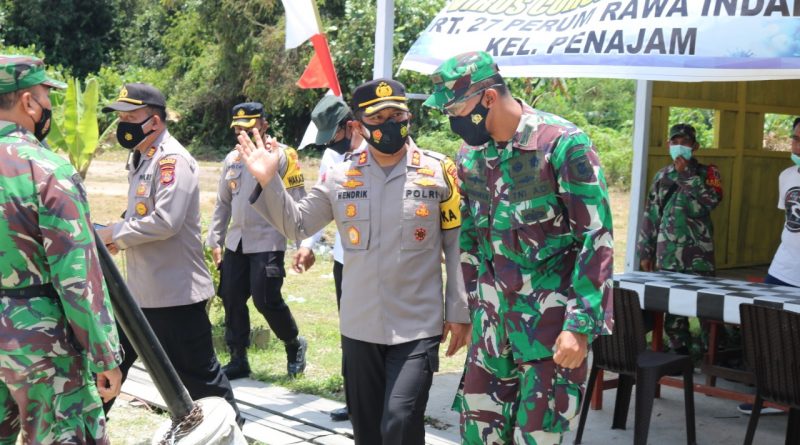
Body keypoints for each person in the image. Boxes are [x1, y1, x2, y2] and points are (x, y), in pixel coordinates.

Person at [236, 79, 471, 444]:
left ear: (408, 117)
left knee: (400, 419)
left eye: (396, 115)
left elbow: (456, 244)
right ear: (360, 126)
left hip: (417, 326)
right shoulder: (341, 175)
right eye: (378, 118)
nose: (389, 124)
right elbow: (298, 224)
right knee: (367, 430)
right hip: (360, 326)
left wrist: (459, 310)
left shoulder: (440, 172)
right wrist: (269, 181)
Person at [424, 51, 614, 444]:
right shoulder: (471, 157)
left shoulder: (562, 145)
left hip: (549, 332)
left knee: (537, 437)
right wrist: (471, 307)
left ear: (488, 97)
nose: (453, 120)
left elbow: (595, 239)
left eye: (456, 109)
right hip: (492, 329)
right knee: (479, 434)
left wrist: (579, 327)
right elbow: (470, 239)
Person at [95, 83, 241, 424]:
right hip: (140, 294)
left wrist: (114, 235)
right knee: (106, 370)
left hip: (176, 297)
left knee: (202, 383)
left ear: (155, 122)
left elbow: (166, 221)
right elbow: (139, 217)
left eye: (131, 117)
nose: (123, 125)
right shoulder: (142, 158)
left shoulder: (172, 161)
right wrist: (116, 235)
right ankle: (84, 433)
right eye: (121, 118)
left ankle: (232, 434)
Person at [0, 55, 122, 444]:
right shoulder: (47, 170)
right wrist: (105, 355)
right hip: (43, 347)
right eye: (45, 96)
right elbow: (77, 278)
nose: (48, 106)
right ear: (28, 102)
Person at [207, 102, 311, 379]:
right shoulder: (232, 159)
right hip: (237, 241)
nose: (242, 132)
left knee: (266, 299)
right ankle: (238, 357)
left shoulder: (283, 155)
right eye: (238, 127)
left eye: (249, 126)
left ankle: (293, 343)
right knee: (231, 297)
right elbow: (222, 203)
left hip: (269, 239)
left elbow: (299, 200)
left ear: (264, 124)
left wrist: (303, 244)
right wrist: (215, 240)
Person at [637, 123, 723, 357]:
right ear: (668, 145)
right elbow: (651, 214)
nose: (679, 146)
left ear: (695, 146)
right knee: (673, 306)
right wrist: (645, 251)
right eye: (675, 142)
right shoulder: (662, 175)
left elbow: (712, 201)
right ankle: (679, 352)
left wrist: (686, 175)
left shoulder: (708, 173)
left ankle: (712, 353)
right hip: (668, 253)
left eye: (685, 142)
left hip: (699, 254)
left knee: (707, 305)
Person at [306, 95, 365, 421]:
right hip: (345, 258)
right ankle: (354, 399)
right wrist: (307, 244)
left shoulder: (379, 152)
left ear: (350, 125)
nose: (331, 143)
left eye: (334, 135)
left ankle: (379, 399)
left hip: (375, 260)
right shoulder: (332, 156)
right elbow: (320, 202)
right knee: (350, 331)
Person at [738, 117, 800, 416]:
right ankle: (774, 395)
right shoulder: (787, 176)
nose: (797, 146)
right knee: (769, 331)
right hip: (783, 267)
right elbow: (789, 221)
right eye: (796, 138)